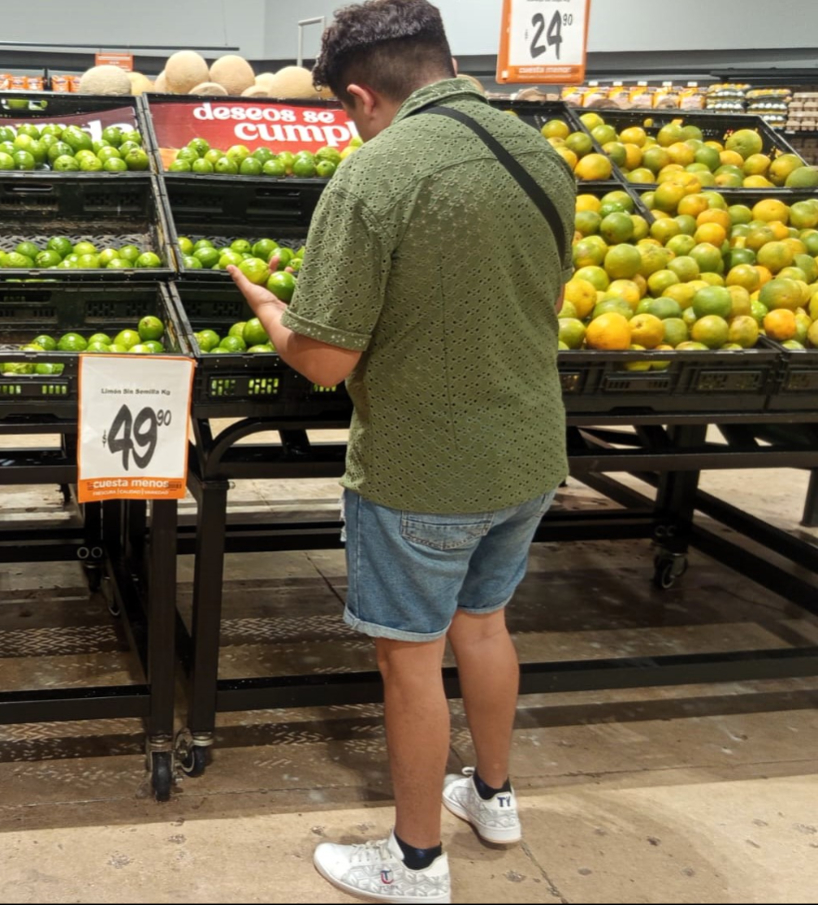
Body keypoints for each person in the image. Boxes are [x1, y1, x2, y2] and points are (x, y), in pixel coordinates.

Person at [226, 1, 573, 901]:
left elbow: (324, 360)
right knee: (484, 624)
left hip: (423, 467)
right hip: (528, 451)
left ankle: (414, 861)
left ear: (358, 96)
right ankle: (492, 797)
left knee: (409, 657)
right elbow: (528, 298)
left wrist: (270, 311)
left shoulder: (375, 174)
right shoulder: (539, 153)